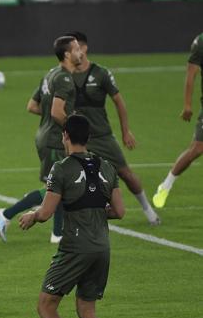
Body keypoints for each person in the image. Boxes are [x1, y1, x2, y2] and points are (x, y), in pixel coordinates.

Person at [19, 114, 125, 318]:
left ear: (64, 135)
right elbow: (119, 211)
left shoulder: (61, 168)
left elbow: (46, 213)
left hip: (76, 247)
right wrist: (93, 210)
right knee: (86, 308)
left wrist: (31, 215)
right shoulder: (107, 166)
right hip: (102, 246)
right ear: (88, 137)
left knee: (46, 303)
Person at [0, 36, 83, 243]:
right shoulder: (64, 79)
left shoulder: (50, 74)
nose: (81, 53)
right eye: (77, 49)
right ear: (68, 54)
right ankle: (7, 214)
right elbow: (56, 112)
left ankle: (57, 233)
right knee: (56, 186)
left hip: (44, 135)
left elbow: (32, 106)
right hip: (54, 139)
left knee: (59, 185)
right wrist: (74, 129)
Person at [66, 31, 159, 225]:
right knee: (71, 177)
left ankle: (148, 209)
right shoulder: (63, 76)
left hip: (102, 136)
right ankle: (70, 221)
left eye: (76, 48)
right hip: (76, 138)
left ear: (84, 48)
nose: (74, 53)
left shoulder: (100, 73)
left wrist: (126, 131)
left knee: (125, 173)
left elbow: (119, 101)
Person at [153, 32, 203, 208]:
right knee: (197, 149)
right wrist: (187, 105)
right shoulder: (201, 42)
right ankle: (166, 184)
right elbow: (191, 74)